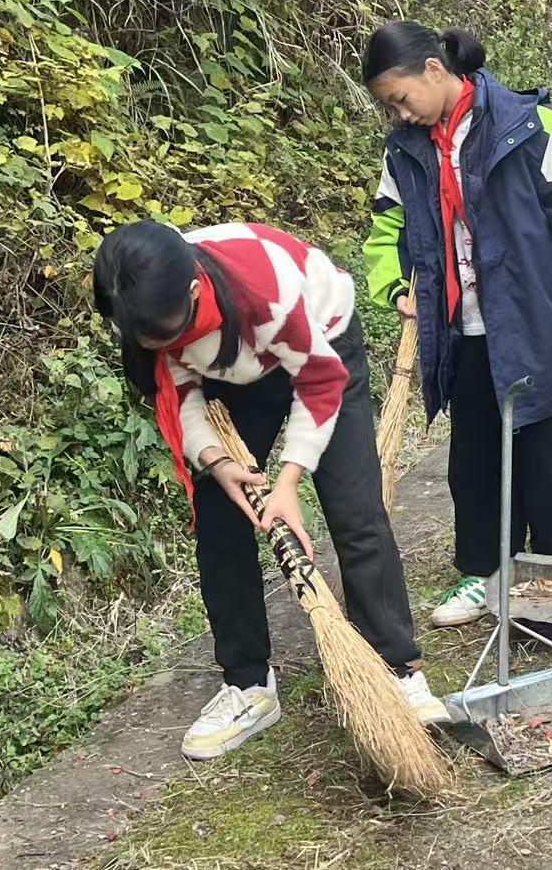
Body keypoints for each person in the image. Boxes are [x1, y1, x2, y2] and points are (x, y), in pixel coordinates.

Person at [93, 220, 446, 761]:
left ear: (193, 291)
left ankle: (398, 669)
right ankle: (249, 684)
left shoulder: (266, 288)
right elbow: (180, 390)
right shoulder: (146, 301)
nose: (166, 346)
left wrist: (287, 482)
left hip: (321, 348)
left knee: (355, 511)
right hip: (235, 373)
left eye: (171, 332)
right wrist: (215, 460)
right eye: (149, 340)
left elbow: (320, 382)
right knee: (219, 518)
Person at [360, 22, 552, 628]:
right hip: (463, 330)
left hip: (540, 318)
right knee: (476, 460)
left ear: (435, 70)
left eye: (400, 98)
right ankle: (487, 574)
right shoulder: (403, 151)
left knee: (549, 455)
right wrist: (398, 285)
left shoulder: (531, 125)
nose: (398, 115)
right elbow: (387, 227)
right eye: (388, 107)